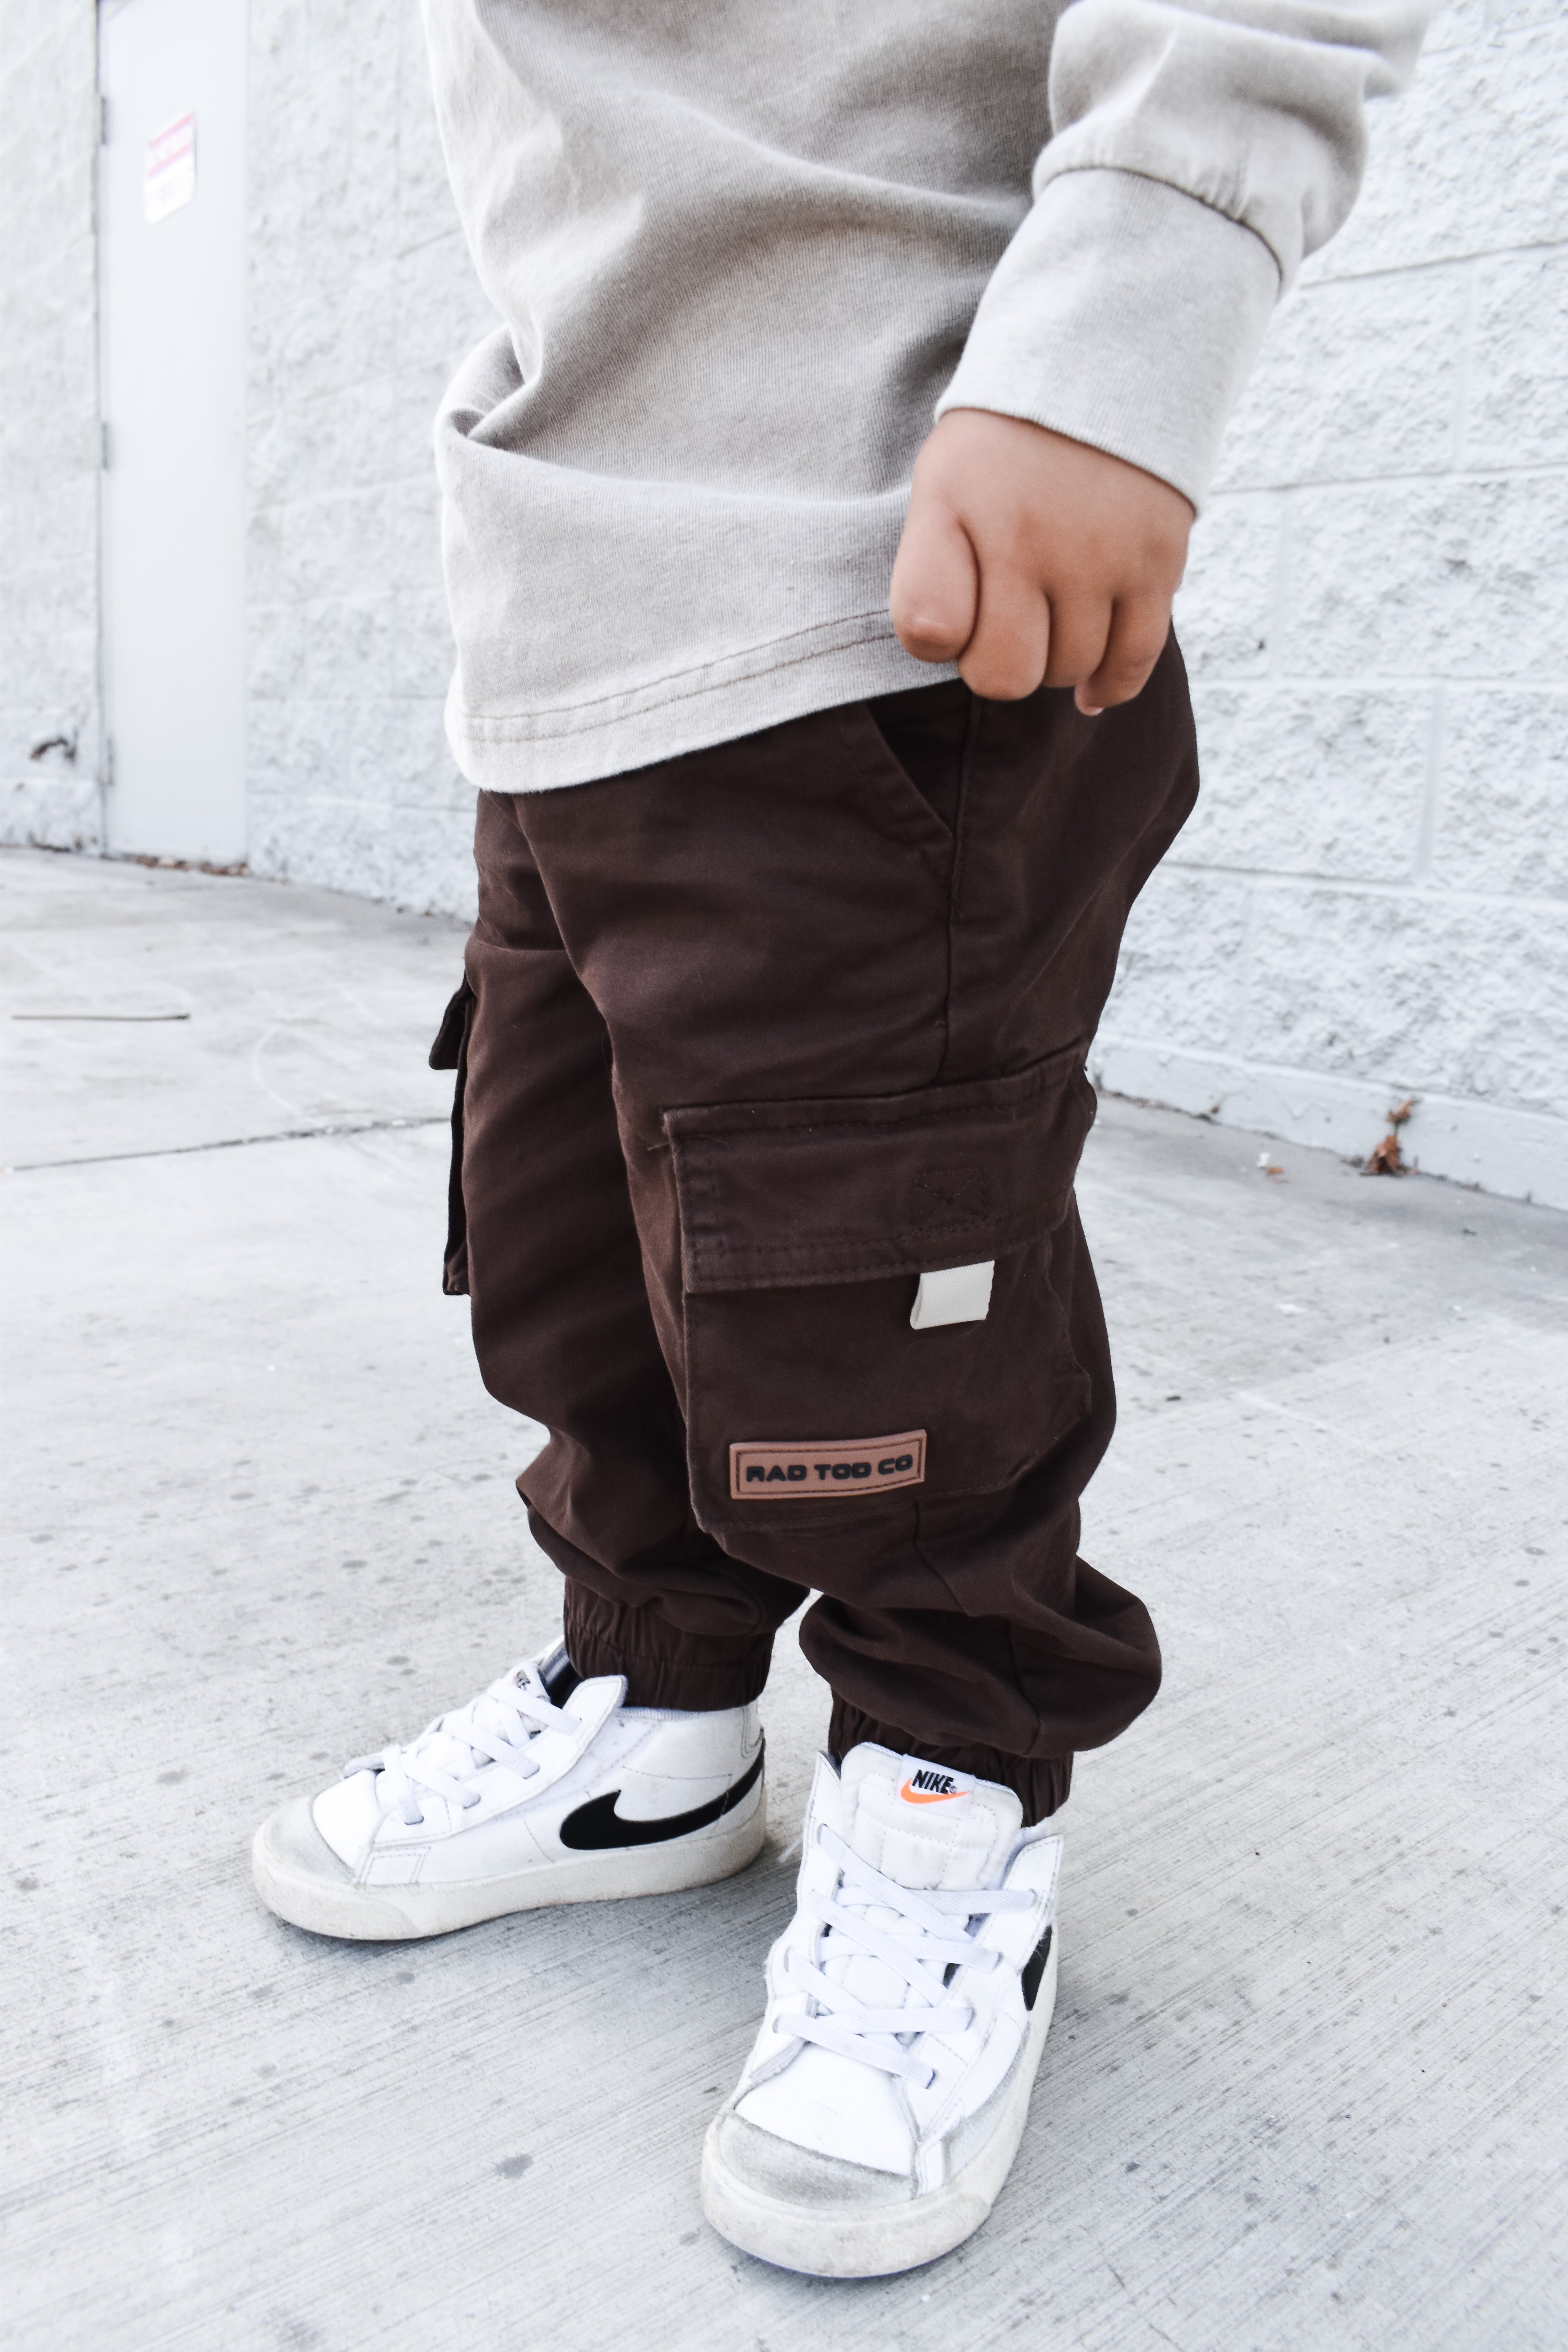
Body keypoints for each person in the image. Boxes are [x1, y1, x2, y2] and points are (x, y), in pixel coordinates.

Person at [252, 0, 1431, 2279]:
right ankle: (653, 1712)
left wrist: (1134, 309)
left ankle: (947, 1778)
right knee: (580, 1243)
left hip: (888, 562)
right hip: (568, 582)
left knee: (878, 1345)